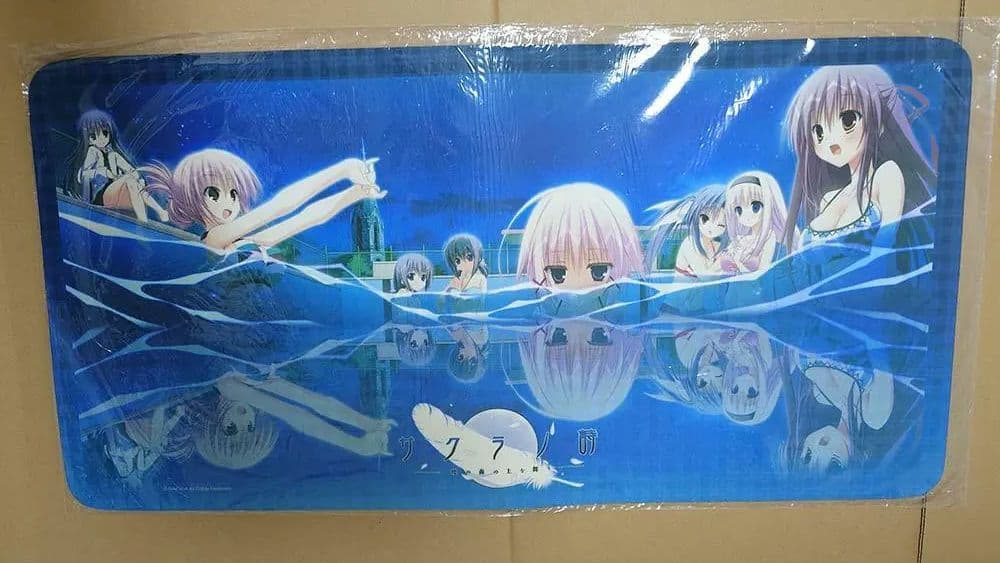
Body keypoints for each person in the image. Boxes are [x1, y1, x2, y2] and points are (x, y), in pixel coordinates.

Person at [784, 65, 935, 250]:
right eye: (819, 131)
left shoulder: (886, 175)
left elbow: (885, 243)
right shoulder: (827, 199)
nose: (831, 142)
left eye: (848, 120)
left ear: (878, 123)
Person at [143, 149, 384, 253]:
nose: (228, 202)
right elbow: (276, 208)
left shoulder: (237, 242)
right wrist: (343, 169)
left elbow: (303, 220)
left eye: (233, 194)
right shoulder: (213, 239)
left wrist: (355, 194)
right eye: (214, 194)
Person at [68, 109, 169, 222]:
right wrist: (102, 171)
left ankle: (145, 220)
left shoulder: (113, 155)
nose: (101, 138)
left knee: (132, 181)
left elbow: (132, 171)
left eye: (104, 133)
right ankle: (158, 213)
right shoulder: (93, 151)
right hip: (100, 196)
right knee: (130, 181)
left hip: (116, 195)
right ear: (90, 139)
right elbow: (83, 174)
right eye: (94, 136)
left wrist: (135, 179)